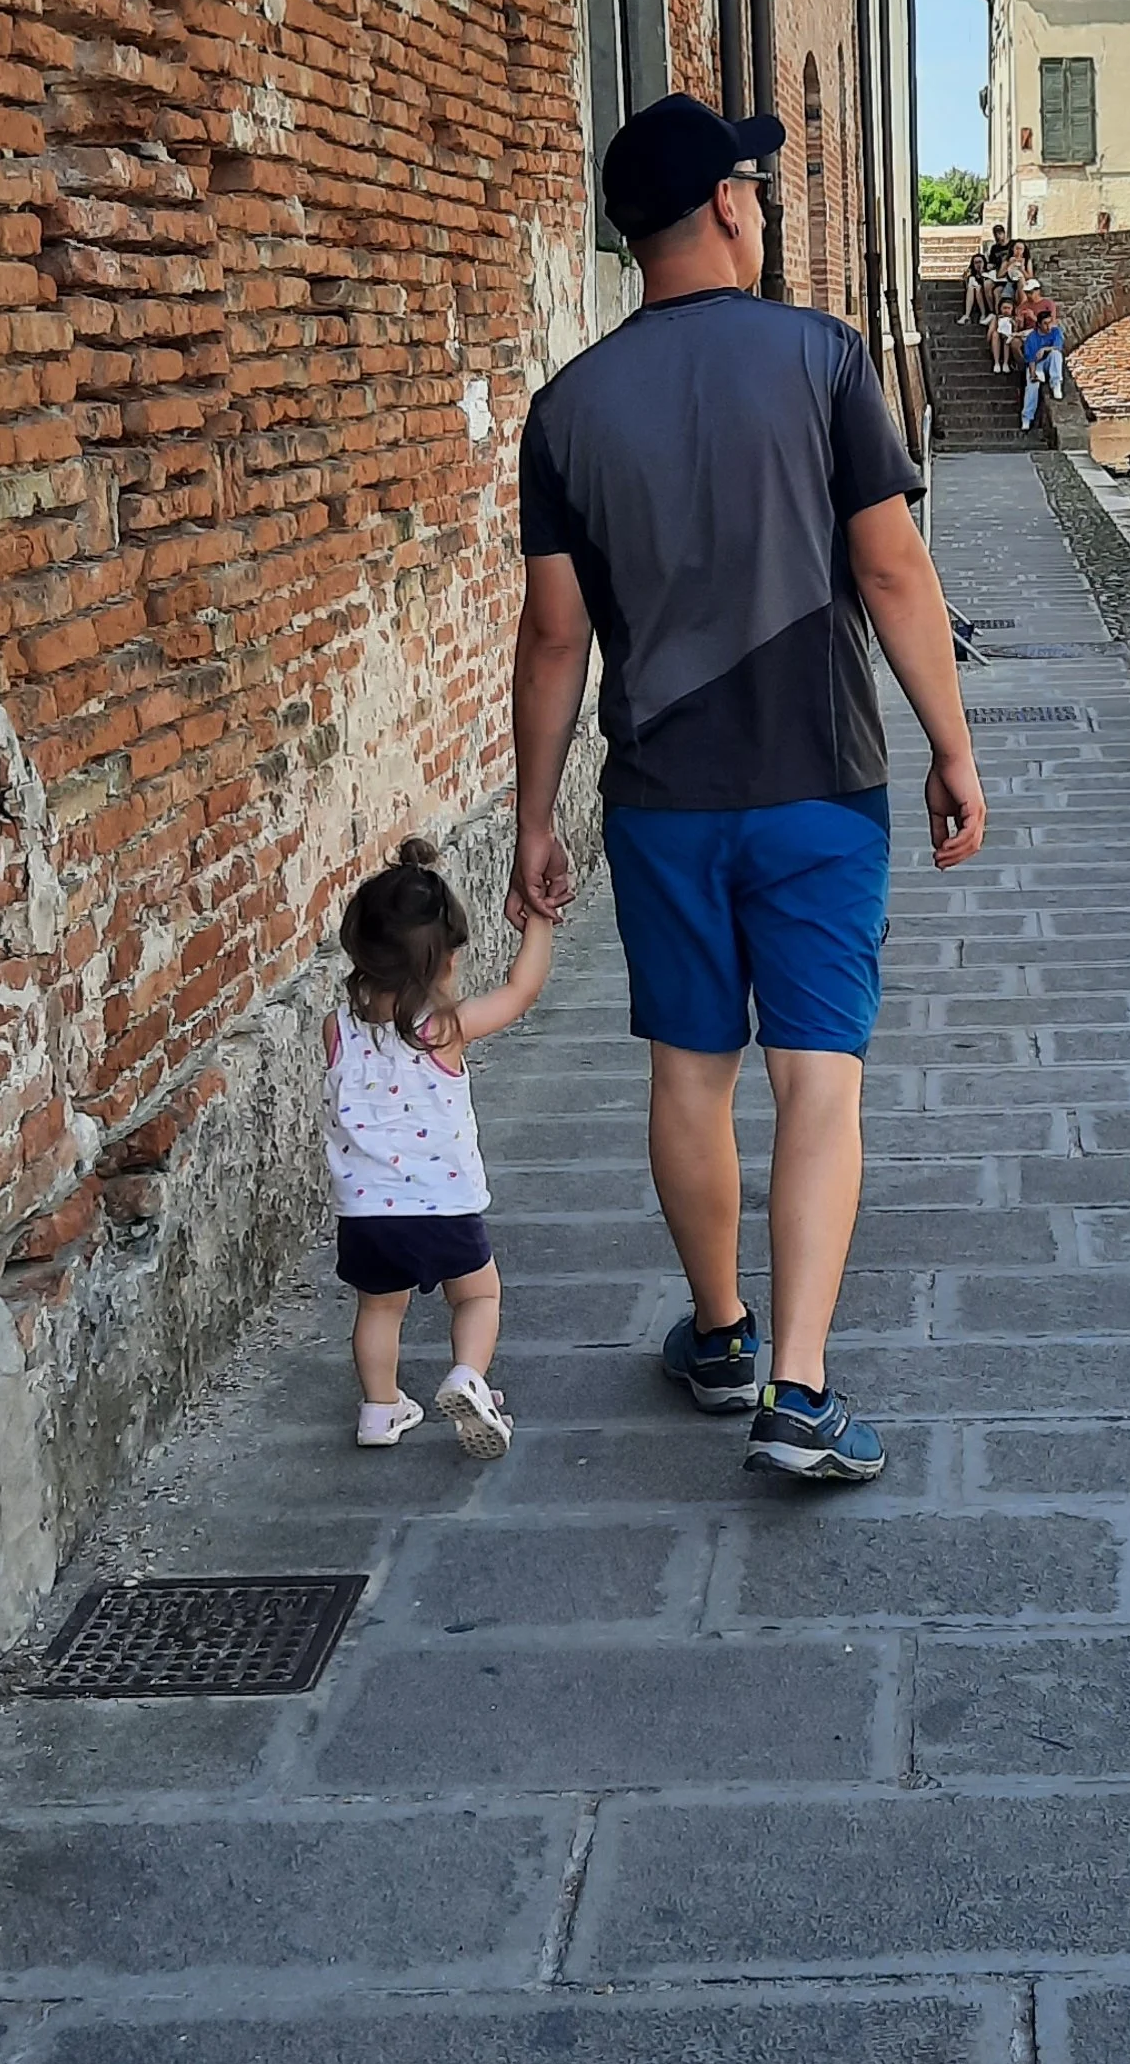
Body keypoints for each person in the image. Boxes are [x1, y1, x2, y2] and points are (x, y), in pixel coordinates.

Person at [510, 91, 986, 1487]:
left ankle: (718, 1336)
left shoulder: (563, 412)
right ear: (725, 204)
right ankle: (801, 1386)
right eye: (758, 190)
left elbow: (553, 637)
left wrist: (536, 814)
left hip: (660, 794)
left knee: (690, 1069)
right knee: (817, 1076)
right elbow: (894, 573)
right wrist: (952, 746)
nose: (766, 208)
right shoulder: (826, 361)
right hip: (817, 782)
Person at [326, 838, 555, 1457]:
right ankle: (467, 1376)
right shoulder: (444, 1030)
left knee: (379, 1308)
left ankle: (379, 1408)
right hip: (444, 1206)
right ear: (446, 960)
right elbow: (521, 991)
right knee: (477, 1294)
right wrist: (540, 923)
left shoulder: (337, 1030)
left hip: (367, 1214)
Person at [1018, 289, 1067, 433]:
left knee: (1056, 354)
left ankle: (1056, 383)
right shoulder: (1032, 338)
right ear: (1038, 324)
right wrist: (1033, 375)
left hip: (1049, 360)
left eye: (1049, 323)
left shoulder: (1055, 331)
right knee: (1032, 386)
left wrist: (1044, 349)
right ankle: (1027, 417)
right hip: (1037, 365)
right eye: (1045, 324)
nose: (1048, 327)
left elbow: (1057, 346)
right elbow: (1031, 359)